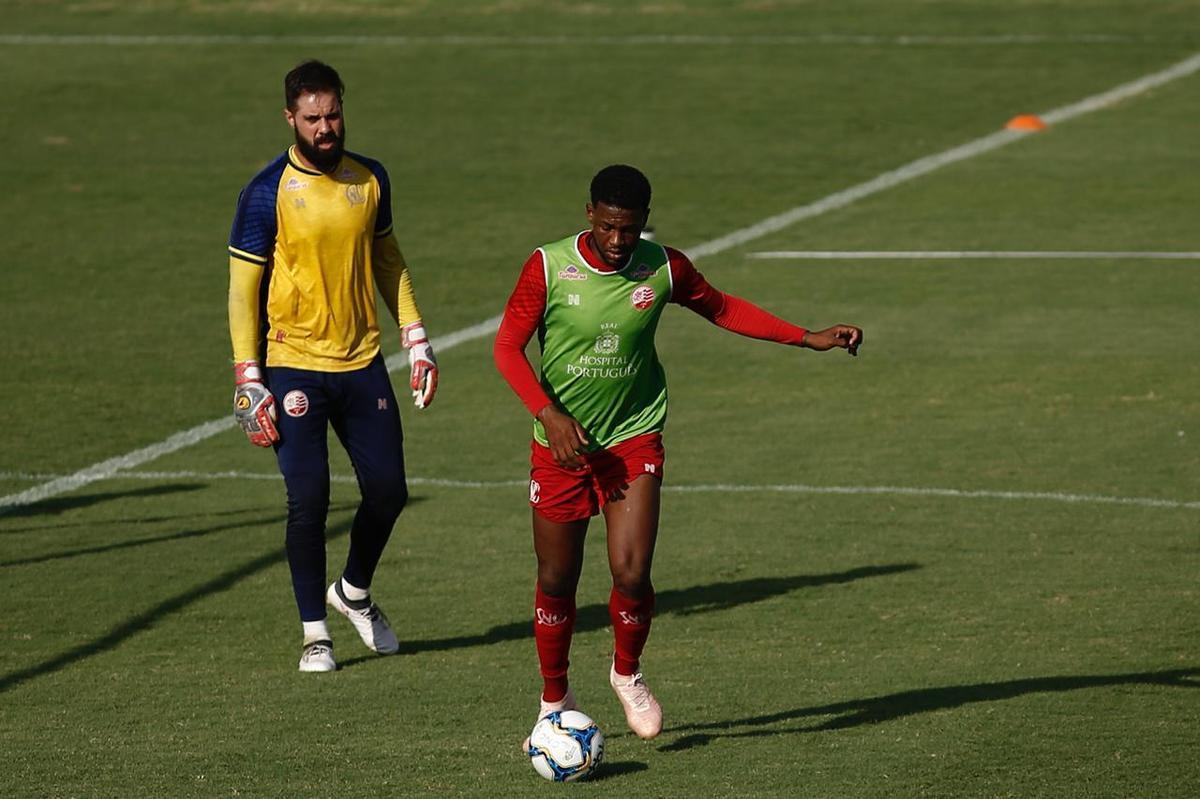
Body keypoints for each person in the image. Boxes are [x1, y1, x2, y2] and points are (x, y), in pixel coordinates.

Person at [493, 164, 862, 742]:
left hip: (633, 436)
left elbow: (722, 307)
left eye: (631, 228)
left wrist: (807, 336)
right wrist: (549, 414)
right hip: (563, 447)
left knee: (632, 571)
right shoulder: (548, 267)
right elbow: (507, 349)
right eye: (610, 226)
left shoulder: (664, 266)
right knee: (558, 577)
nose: (619, 242)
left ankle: (627, 672)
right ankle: (553, 699)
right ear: (589, 213)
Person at [227, 60, 438, 673]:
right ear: (290, 117)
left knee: (389, 491)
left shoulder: (370, 178)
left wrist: (416, 336)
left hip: (362, 360)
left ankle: (352, 592)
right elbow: (242, 292)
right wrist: (248, 377)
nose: (326, 127)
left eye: (333, 114)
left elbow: (388, 259)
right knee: (309, 499)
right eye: (313, 118)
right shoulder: (266, 193)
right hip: (291, 365)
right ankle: (315, 632)